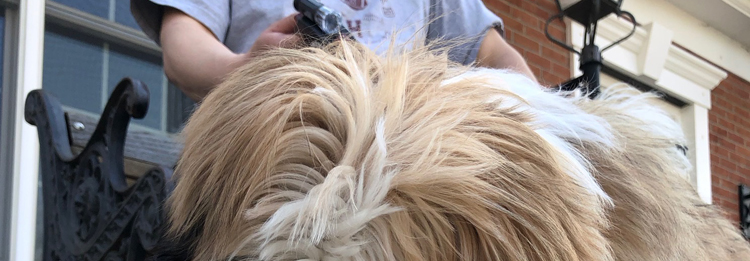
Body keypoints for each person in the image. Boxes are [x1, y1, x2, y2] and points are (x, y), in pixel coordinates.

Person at [130, 1, 537, 102]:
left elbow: (499, 59)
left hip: (400, 179)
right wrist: (246, 69)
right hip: (268, 157)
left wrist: (543, 118)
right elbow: (183, 50)